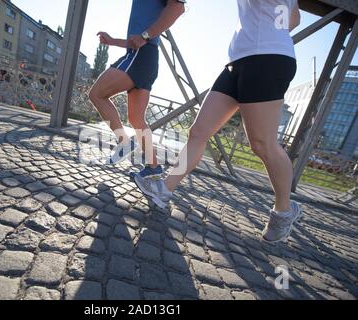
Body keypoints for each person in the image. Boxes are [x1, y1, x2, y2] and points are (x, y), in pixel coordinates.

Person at [135, 0, 303, 243]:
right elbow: (294, 19)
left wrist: (268, 32)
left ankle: (283, 212)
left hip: (268, 58)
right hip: (240, 58)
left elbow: (292, 18)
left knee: (262, 144)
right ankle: (164, 190)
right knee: (199, 131)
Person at [89, 0, 186, 179]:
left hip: (141, 56)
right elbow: (136, 40)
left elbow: (178, 7)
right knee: (136, 119)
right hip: (144, 56)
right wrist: (113, 41)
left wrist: (145, 36)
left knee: (96, 94)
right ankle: (153, 167)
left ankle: (123, 142)